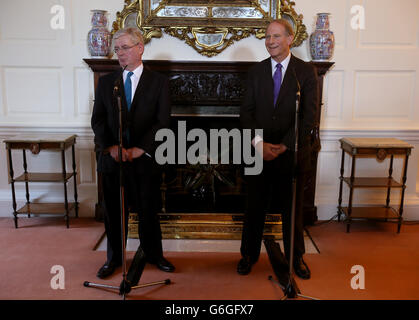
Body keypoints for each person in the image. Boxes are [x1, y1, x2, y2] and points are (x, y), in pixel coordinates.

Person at [238, 19, 319, 279]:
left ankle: (295, 258)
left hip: (291, 153)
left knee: (291, 210)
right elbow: (246, 113)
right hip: (257, 152)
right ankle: (248, 255)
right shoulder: (256, 72)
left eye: (275, 36)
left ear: (290, 38)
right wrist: (259, 143)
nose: (270, 41)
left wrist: (284, 144)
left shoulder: (305, 72)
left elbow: (309, 117)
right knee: (254, 207)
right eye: (267, 36)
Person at [91, 27, 174, 279]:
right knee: (115, 212)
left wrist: (142, 149)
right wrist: (111, 147)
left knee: (149, 210)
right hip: (113, 159)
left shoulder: (159, 83)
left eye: (125, 48)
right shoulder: (107, 83)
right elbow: (98, 121)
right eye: (117, 49)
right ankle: (114, 258)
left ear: (140, 48)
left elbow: (162, 122)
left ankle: (154, 254)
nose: (120, 54)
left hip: (144, 159)